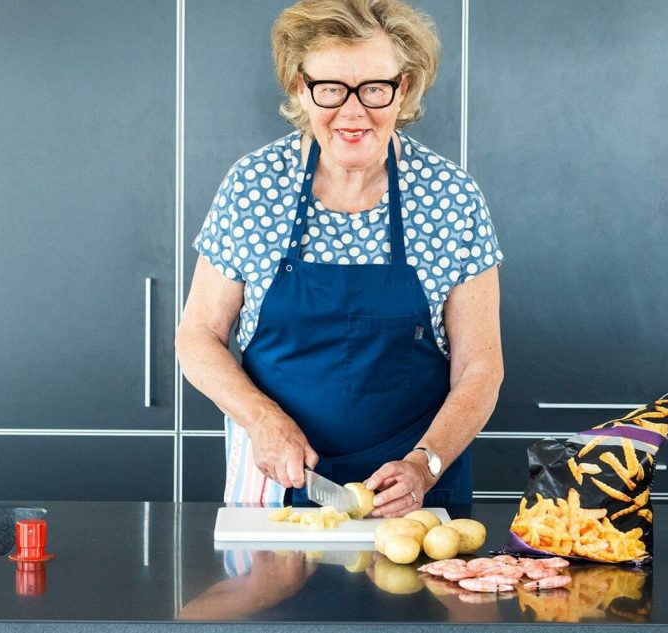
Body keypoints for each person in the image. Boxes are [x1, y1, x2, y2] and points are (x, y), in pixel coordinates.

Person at [176, 0, 503, 517]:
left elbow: (481, 367)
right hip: (277, 481)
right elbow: (197, 336)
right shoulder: (254, 186)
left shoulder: (452, 198)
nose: (353, 113)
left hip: (414, 495)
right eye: (330, 89)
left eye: (375, 88)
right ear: (298, 87)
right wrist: (261, 419)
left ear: (406, 86)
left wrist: (424, 465)